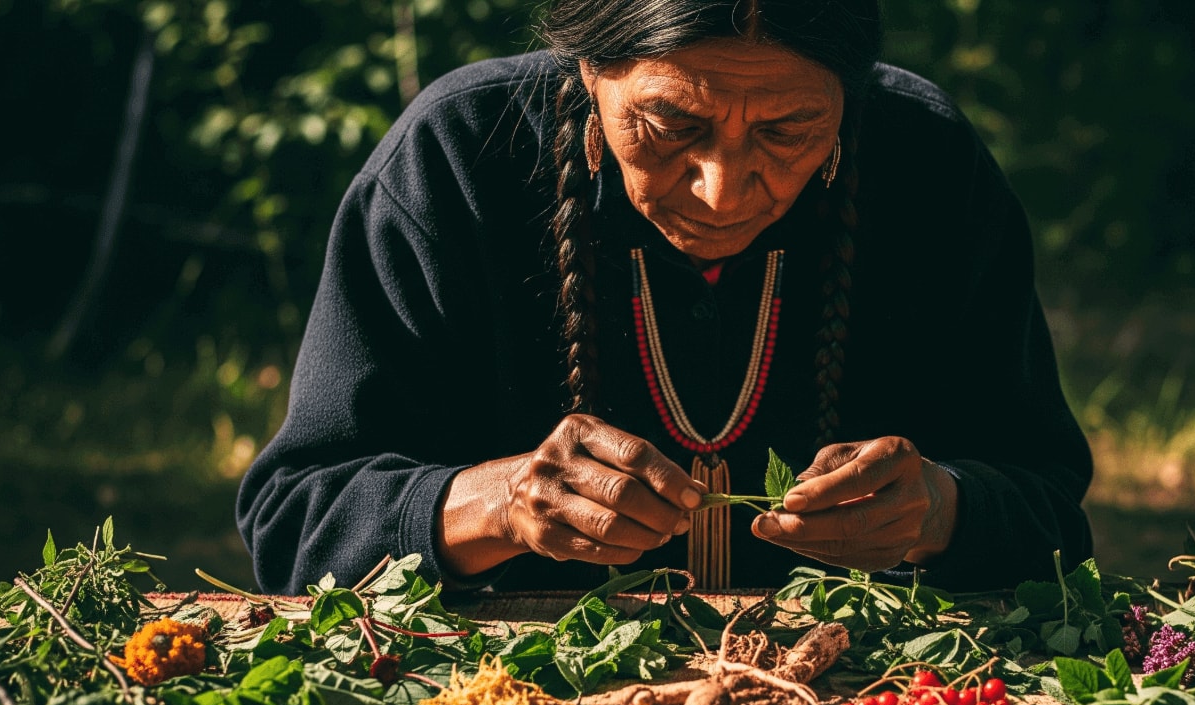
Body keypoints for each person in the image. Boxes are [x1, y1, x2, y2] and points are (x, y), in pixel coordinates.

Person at [236, 0, 1094, 597]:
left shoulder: (929, 164)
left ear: (847, 101)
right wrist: (500, 504)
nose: (724, 192)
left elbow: (1050, 507)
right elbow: (294, 522)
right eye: (669, 126)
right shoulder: (456, 159)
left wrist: (941, 510)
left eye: (788, 132)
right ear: (588, 73)